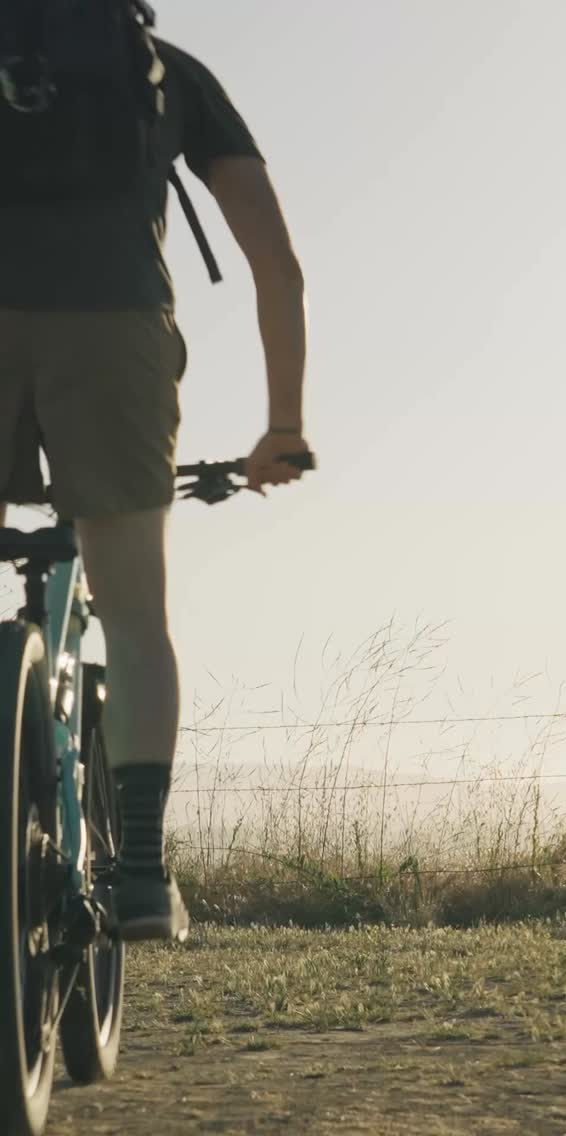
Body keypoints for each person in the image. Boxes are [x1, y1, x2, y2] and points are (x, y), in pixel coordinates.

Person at [0, 36, 310, 942]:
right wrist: (282, 428)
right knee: (134, 615)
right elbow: (278, 267)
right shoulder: (159, 69)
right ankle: (139, 871)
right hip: (115, 327)